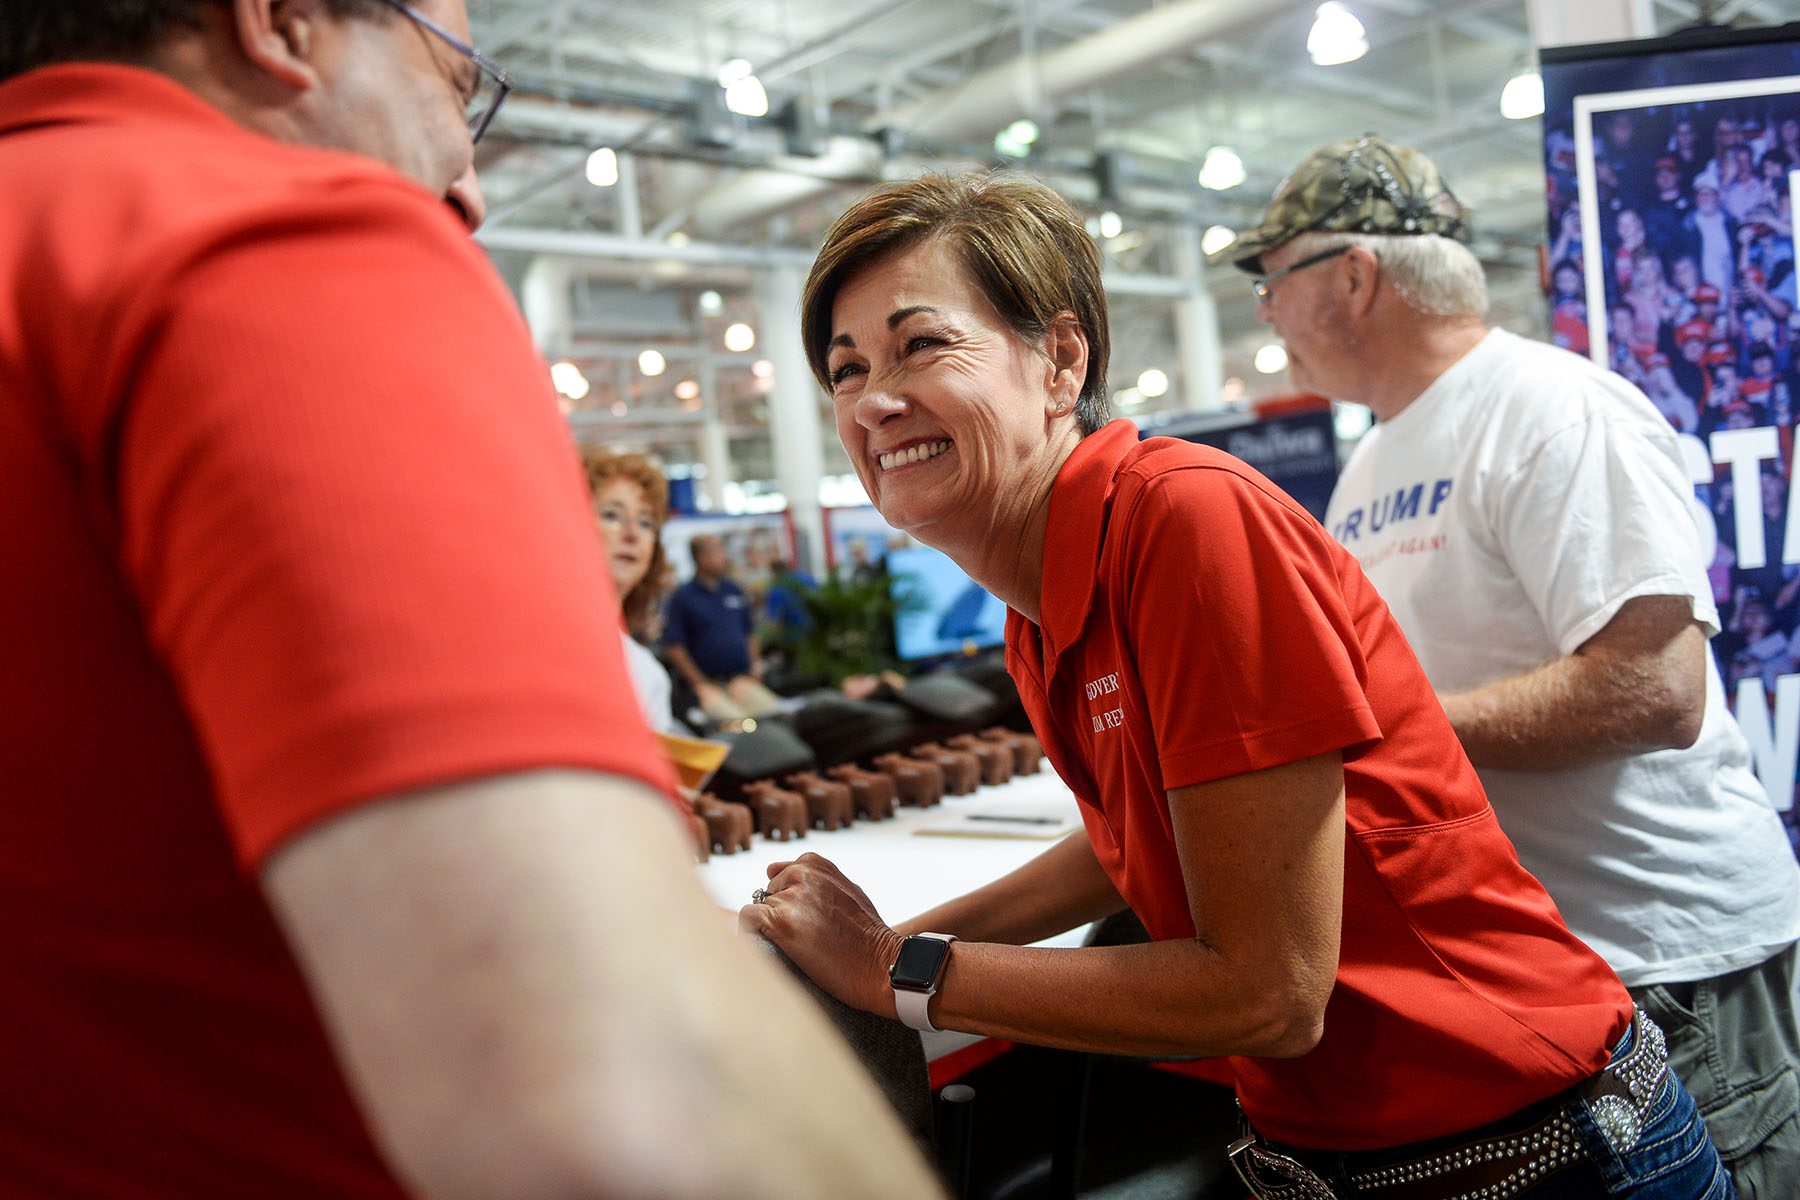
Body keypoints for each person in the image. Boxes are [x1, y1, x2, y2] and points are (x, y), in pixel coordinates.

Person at [0, 4, 944, 1197]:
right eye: (460, 87)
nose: (471, 190)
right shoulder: (262, 239)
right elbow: (618, 1092)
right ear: (283, 22)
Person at [746, 168, 1731, 1198]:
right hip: (1364, 1158)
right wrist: (889, 940)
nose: (876, 398)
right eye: (846, 369)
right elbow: (1132, 845)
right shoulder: (1043, 609)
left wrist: (901, 974)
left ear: (1060, 360)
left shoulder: (1186, 523)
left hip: (1539, 1155)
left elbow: (1269, 990)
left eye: (922, 344)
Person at [1228, 132, 1797, 1196]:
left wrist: (1375, 734)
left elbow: (1654, 688)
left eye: (1272, 277)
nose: (1263, 309)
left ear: (1353, 276)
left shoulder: (1551, 408)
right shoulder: (1374, 460)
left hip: (1672, 964)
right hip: (1545, 978)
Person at [583, 447, 679, 734]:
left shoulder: (648, 673)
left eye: (646, 522)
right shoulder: (528, 646)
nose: (632, 533)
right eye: (612, 515)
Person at [662, 533, 782, 723]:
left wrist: (754, 669)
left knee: (776, 716)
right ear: (700, 558)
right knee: (739, 726)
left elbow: (748, 633)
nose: (724, 557)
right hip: (708, 686)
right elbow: (674, 647)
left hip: (741, 680)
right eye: (718, 551)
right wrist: (700, 684)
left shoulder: (733, 590)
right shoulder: (682, 598)